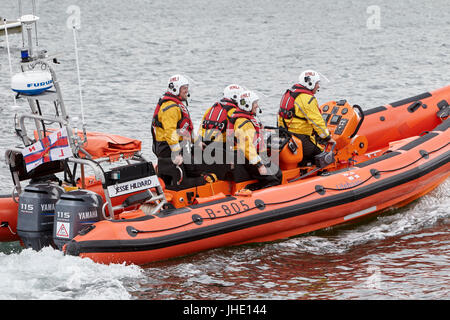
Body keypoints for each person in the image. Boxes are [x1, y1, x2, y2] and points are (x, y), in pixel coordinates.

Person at [151, 74, 214, 189]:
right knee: (198, 167)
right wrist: (176, 153)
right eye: (184, 88)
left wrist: (197, 142)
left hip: (177, 145)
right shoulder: (170, 108)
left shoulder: (176, 105)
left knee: (199, 163)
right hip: (167, 148)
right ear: (175, 89)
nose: (186, 91)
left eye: (186, 88)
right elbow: (170, 132)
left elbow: (185, 129)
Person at [277, 70, 336, 166]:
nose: (318, 86)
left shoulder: (290, 93)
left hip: (286, 135)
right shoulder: (307, 99)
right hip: (300, 138)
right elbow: (317, 122)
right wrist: (327, 138)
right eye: (317, 83)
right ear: (310, 83)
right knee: (322, 153)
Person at [228, 90, 282, 191]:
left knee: (278, 173)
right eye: (255, 103)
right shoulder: (244, 123)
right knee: (272, 180)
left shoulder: (249, 118)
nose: (257, 106)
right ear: (248, 105)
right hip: (248, 159)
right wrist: (259, 165)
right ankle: (254, 192)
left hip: (254, 156)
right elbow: (247, 147)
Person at [197, 84, 244, 180]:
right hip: (223, 153)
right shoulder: (234, 113)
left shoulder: (211, 109)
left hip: (206, 149)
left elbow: (201, 129)